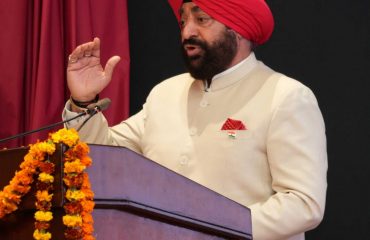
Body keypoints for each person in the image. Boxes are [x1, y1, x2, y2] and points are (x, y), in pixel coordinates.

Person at [63, 0, 328, 239]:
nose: (187, 32)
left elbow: (303, 204)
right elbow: (102, 155)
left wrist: (213, 228)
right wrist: (83, 101)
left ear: (239, 30)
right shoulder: (165, 93)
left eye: (201, 20)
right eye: (183, 21)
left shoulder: (285, 96)